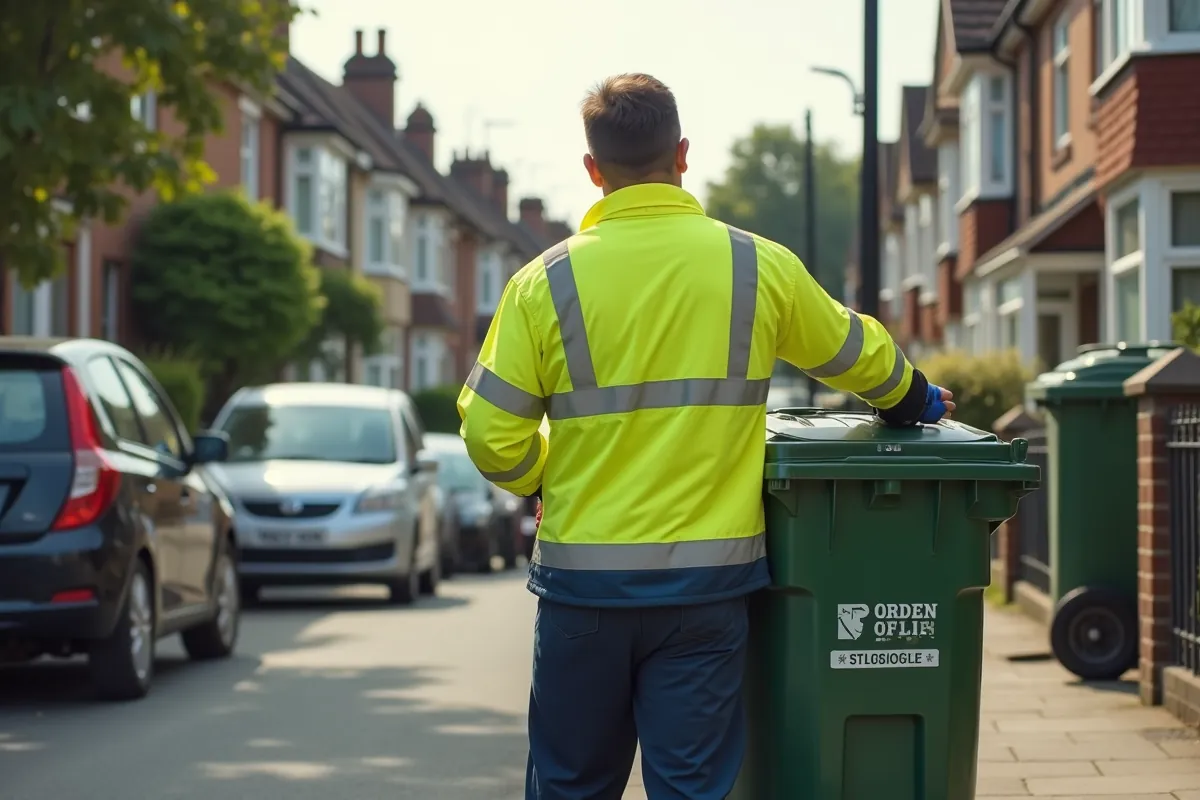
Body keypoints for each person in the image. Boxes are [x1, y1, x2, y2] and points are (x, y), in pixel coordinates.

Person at [457, 73, 954, 800]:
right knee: (692, 790)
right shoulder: (756, 266)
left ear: (593, 171)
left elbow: (492, 438)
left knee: (570, 787)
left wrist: (545, 477)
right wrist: (913, 398)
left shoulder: (543, 284)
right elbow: (855, 353)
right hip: (705, 597)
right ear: (682, 154)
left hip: (584, 595)